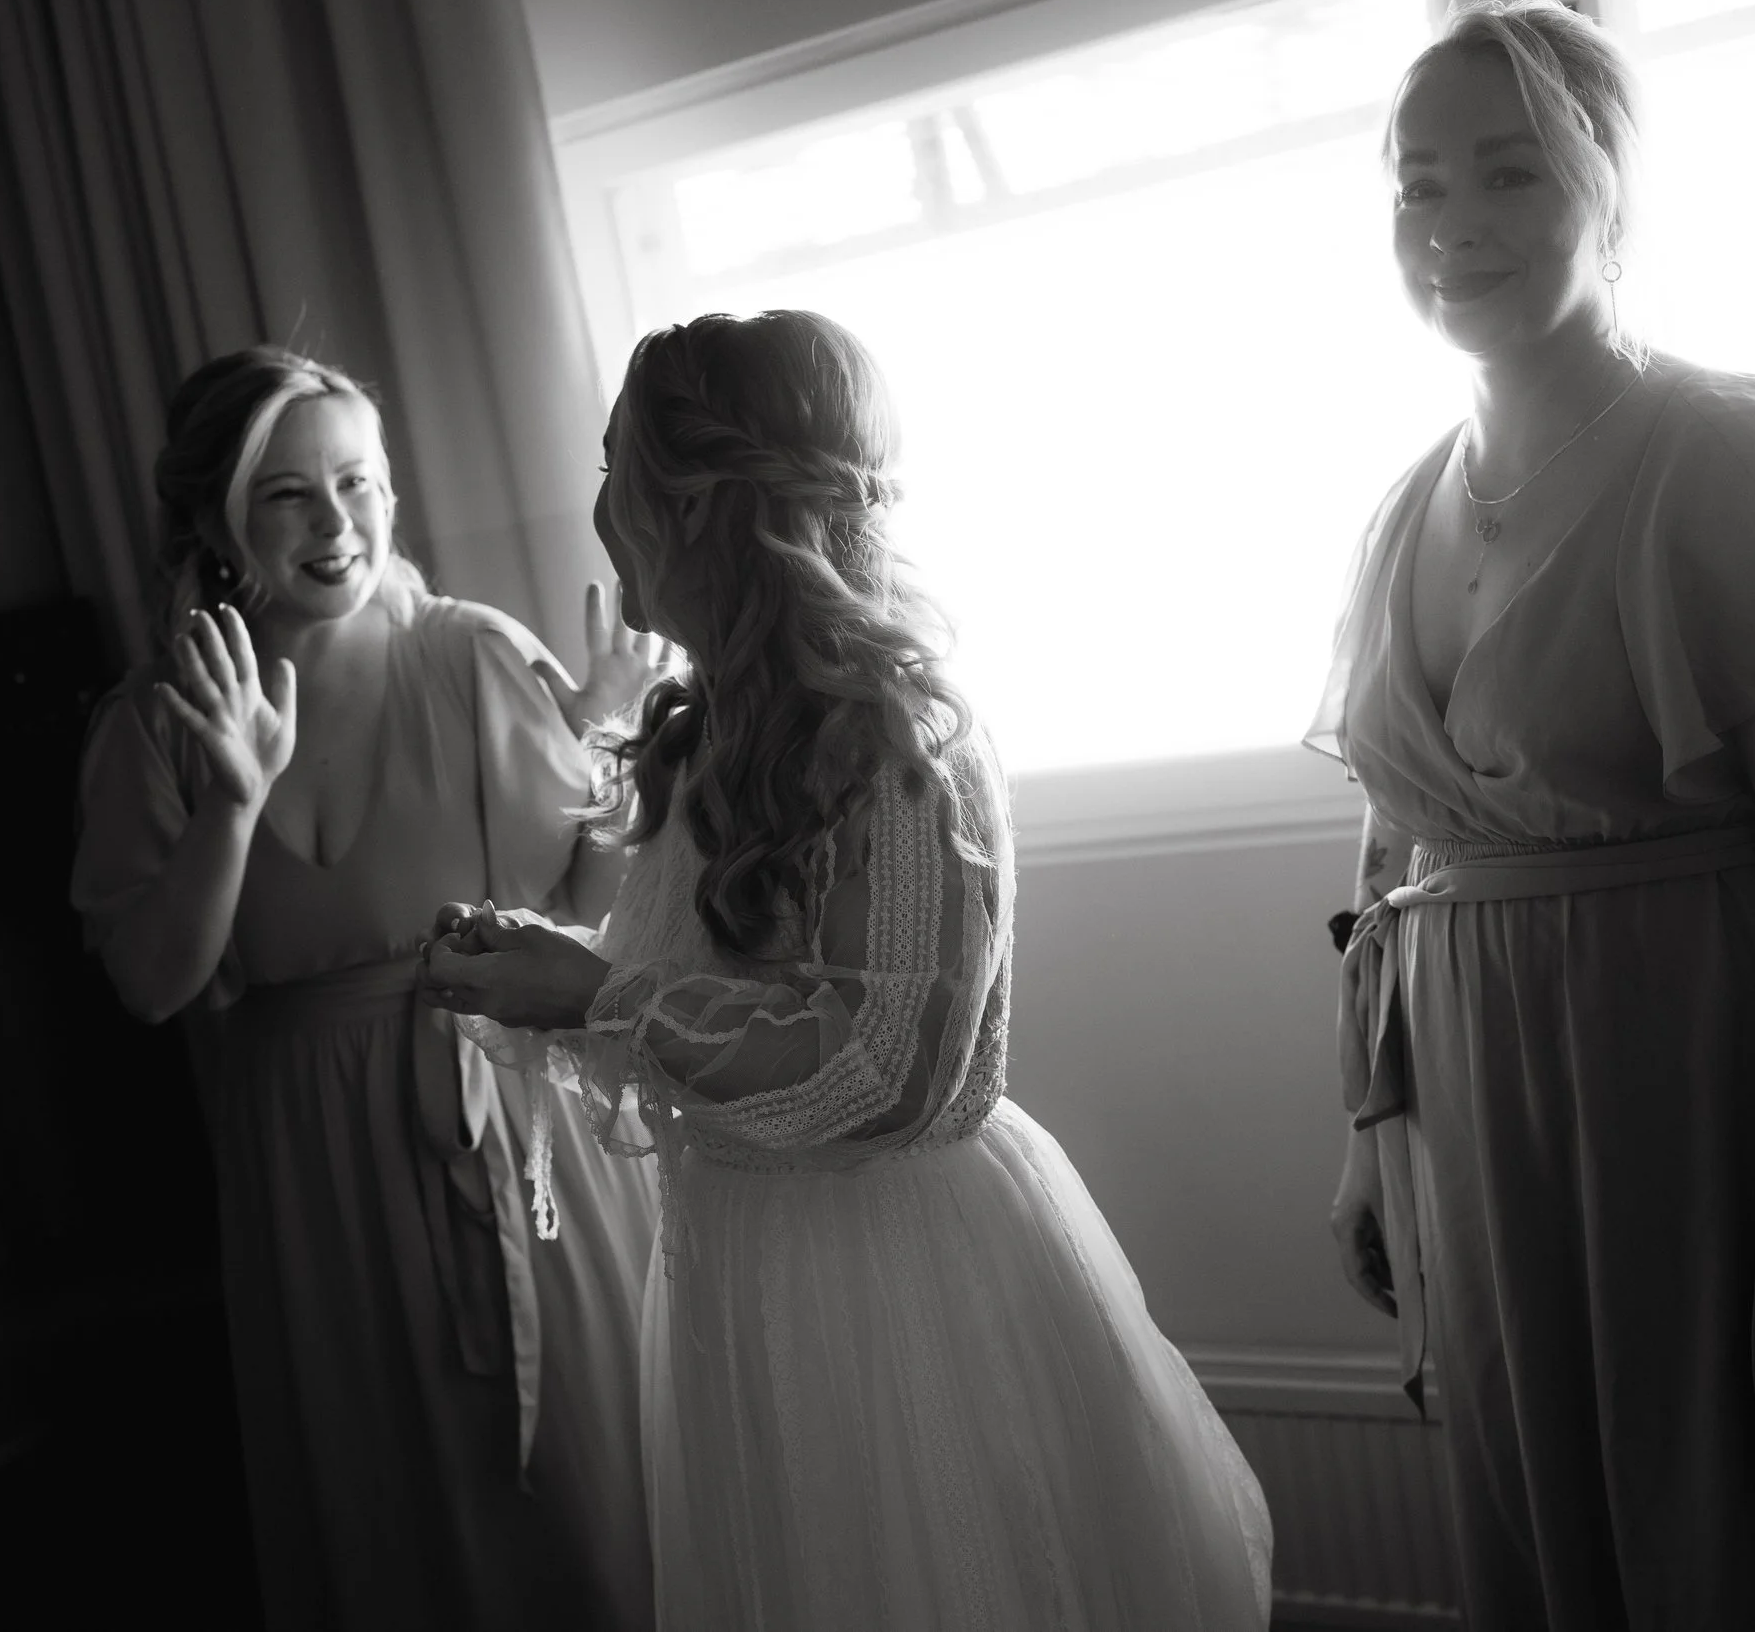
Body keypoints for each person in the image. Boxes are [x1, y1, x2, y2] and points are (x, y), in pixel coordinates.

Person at [423, 310, 1274, 1631]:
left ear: (698, 502)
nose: (598, 506)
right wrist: (557, 963)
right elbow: (744, 992)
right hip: (738, 1265)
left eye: (614, 466)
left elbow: (884, 1070)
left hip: (897, 1275)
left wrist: (592, 995)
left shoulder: (899, 737)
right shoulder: (710, 727)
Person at [1313, 0, 1755, 1629]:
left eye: (1512, 174)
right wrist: (1371, 1127)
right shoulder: (1405, 502)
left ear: (1608, 187)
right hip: (1494, 1136)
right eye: (1419, 188)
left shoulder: (1746, 462)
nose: (1456, 225)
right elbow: (1401, 841)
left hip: (1718, 1114)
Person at [70, 348, 661, 1631]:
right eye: (287, 495)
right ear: (217, 520)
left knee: (584, 1499)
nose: (336, 525)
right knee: (390, 1513)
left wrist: (606, 744)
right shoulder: (157, 723)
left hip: (514, 1122)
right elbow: (158, 986)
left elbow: (578, 922)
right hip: (311, 1174)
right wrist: (232, 801)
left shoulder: (472, 657)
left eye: (360, 482)